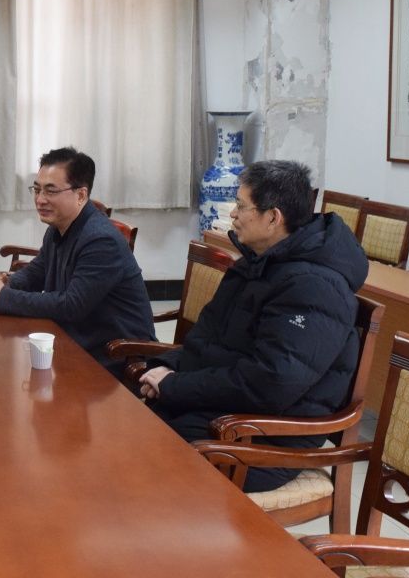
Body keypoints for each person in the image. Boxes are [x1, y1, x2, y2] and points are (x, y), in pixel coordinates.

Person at [138, 160, 368, 492]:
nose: (232, 214)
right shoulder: (258, 262)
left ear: (273, 218)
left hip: (266, 439)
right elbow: (206, 341)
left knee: (143, 457)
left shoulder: (315, 287)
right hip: (227, 412)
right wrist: (164, 369)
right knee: (126, 423)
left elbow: (271, 383)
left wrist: (175, 386)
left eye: (241, 206)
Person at [0, 147, 156, 375]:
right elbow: (37, 271)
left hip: (116, 356)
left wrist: (2, 298)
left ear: (81, 195)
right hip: (79, 339)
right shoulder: (59, 226)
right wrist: (6, 282)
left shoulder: (101, 240)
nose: (40, 200)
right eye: (37, 189)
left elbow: (72, 306)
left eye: (50, 191)